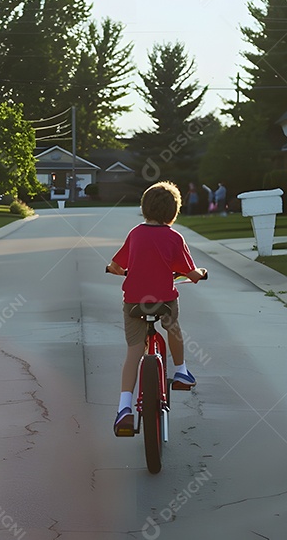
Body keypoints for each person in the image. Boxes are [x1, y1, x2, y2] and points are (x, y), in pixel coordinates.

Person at [107, 181, 207, 436]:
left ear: (144, 209)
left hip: (134, 302)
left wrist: (118, 271)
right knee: (172, 326)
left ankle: (124, 409)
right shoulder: (174, 237)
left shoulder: (136, 234)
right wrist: (200, 273)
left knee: (133, 351)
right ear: (172, 213)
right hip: (163, 300)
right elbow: (190, 273)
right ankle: (181, 371)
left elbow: (117, 265)